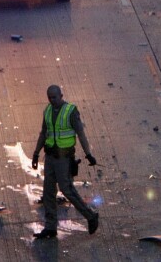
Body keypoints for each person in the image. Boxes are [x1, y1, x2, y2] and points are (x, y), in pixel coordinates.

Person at [31, 85, 99, 239]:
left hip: (64, 158)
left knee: (67, 189)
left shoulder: (71, 111)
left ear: (61, 95)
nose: (52, 100)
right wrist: (36, 153)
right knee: (48, 192)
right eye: (49, 97)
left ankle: (91, 216)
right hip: (50, 157)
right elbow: (43, 133)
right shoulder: (47, 111)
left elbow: (80, 133)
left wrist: (88, 154)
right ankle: (50, 227)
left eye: (54, 97)